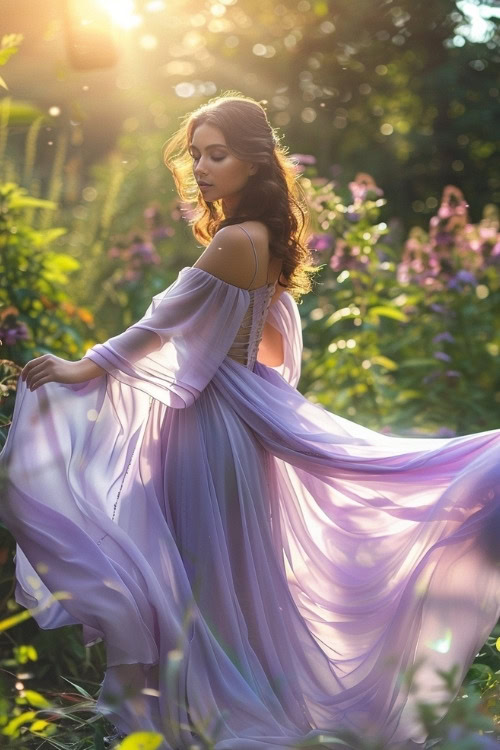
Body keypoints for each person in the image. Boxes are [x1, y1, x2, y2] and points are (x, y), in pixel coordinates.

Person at [0, 92, 499, 750]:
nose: (202, 167)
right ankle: (217, 703)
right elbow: (264, 343)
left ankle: (204, 712)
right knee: (219, 574)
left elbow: (161, 326)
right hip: (225, 422)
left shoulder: (237, 240)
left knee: (205, 574)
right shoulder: (258, 239)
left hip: (210, 431)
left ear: (256, 162)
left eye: (219, 154)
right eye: (197, 154)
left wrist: (82, 368)